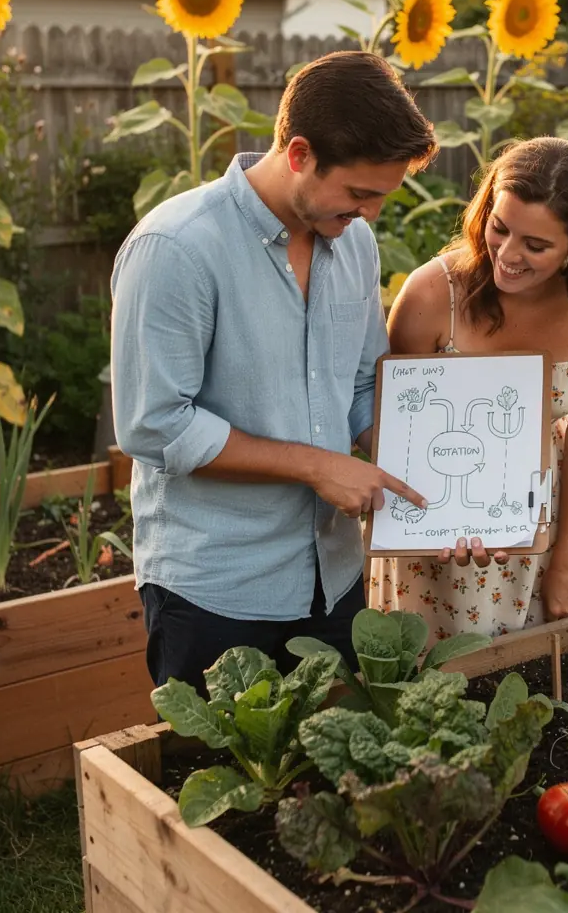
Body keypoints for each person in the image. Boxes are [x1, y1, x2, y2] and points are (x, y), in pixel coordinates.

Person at [110, 50, 436, 695]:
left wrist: (444, 490)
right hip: (216, 589)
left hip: (336, 576)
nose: (370, 213)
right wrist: (317, 465)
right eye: (360, 193)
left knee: (333, 778)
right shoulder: (175, 249)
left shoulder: (353, 242)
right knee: (230, 785)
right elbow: (156, 427)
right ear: (299, 154)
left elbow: (364, 389)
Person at [367, 137, 568, 640]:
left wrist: (563, 564)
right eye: (499, 228)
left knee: (539, 693)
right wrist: (436, 525)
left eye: (536, 245)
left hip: (542, 531)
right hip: (432, 524)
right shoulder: (431, 294)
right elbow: (394, 431)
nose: (508, 256)